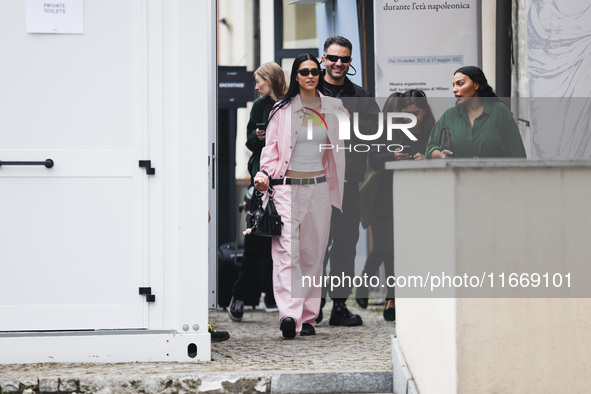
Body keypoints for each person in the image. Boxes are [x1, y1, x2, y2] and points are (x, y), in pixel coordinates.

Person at [254, 53, 345, 339]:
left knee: (313, 255)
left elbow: (340, 150)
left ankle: (308, 317)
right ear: (295, 76)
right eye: (304, 71)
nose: (310, 76)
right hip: (285, 188)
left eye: (315, 71)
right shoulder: (282, 109)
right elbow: (271, 149)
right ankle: (289, 315)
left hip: (319, 187)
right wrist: (263, 174)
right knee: (285, 253)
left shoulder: (334, 107)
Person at [357, 90, 435, 321]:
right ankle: (386, 295)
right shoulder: (389, 131)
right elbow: (373, 157)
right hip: (386, 195)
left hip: (420, 198)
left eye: (416, 114)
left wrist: (428, 158)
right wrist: (392, 155)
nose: (412, 119)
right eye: (407, 114)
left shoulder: (433, 131)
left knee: (406, 249)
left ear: (424, 112)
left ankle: (395, 296)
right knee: (386, 247)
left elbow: (443, 155)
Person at [319, 35, 380, 327]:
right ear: (324, 59)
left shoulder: (362, 97)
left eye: (344, 59)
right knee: (314, 246)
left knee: (345, 244)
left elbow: (375, 134)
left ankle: (339, 306)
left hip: (348, 183)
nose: (338, 63)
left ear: (350, 61)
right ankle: (312, 305)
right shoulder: (309, 90)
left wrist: (345, 121)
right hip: (313, 184)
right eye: (333, 58)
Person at [228, 62, 287, 322]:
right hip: (261, 183)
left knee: (283, 245)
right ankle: (239, 296)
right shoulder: (259, 106)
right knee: (254, 242)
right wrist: (259, 135)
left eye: (259, 81)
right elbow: (249, 141)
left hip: (286, 183)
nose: (255, 86)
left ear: (270, 80)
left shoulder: (290, 104)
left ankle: (280, 299)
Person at [426, 66, 527, 159]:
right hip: (460, 177)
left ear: (476, 85)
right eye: (453, 85)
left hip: (496, 176)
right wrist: (440, 155)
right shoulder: (449, 115)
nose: (454, 90)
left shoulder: (499, 111)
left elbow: (517, 152)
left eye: (460, 84)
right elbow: (430, 147)